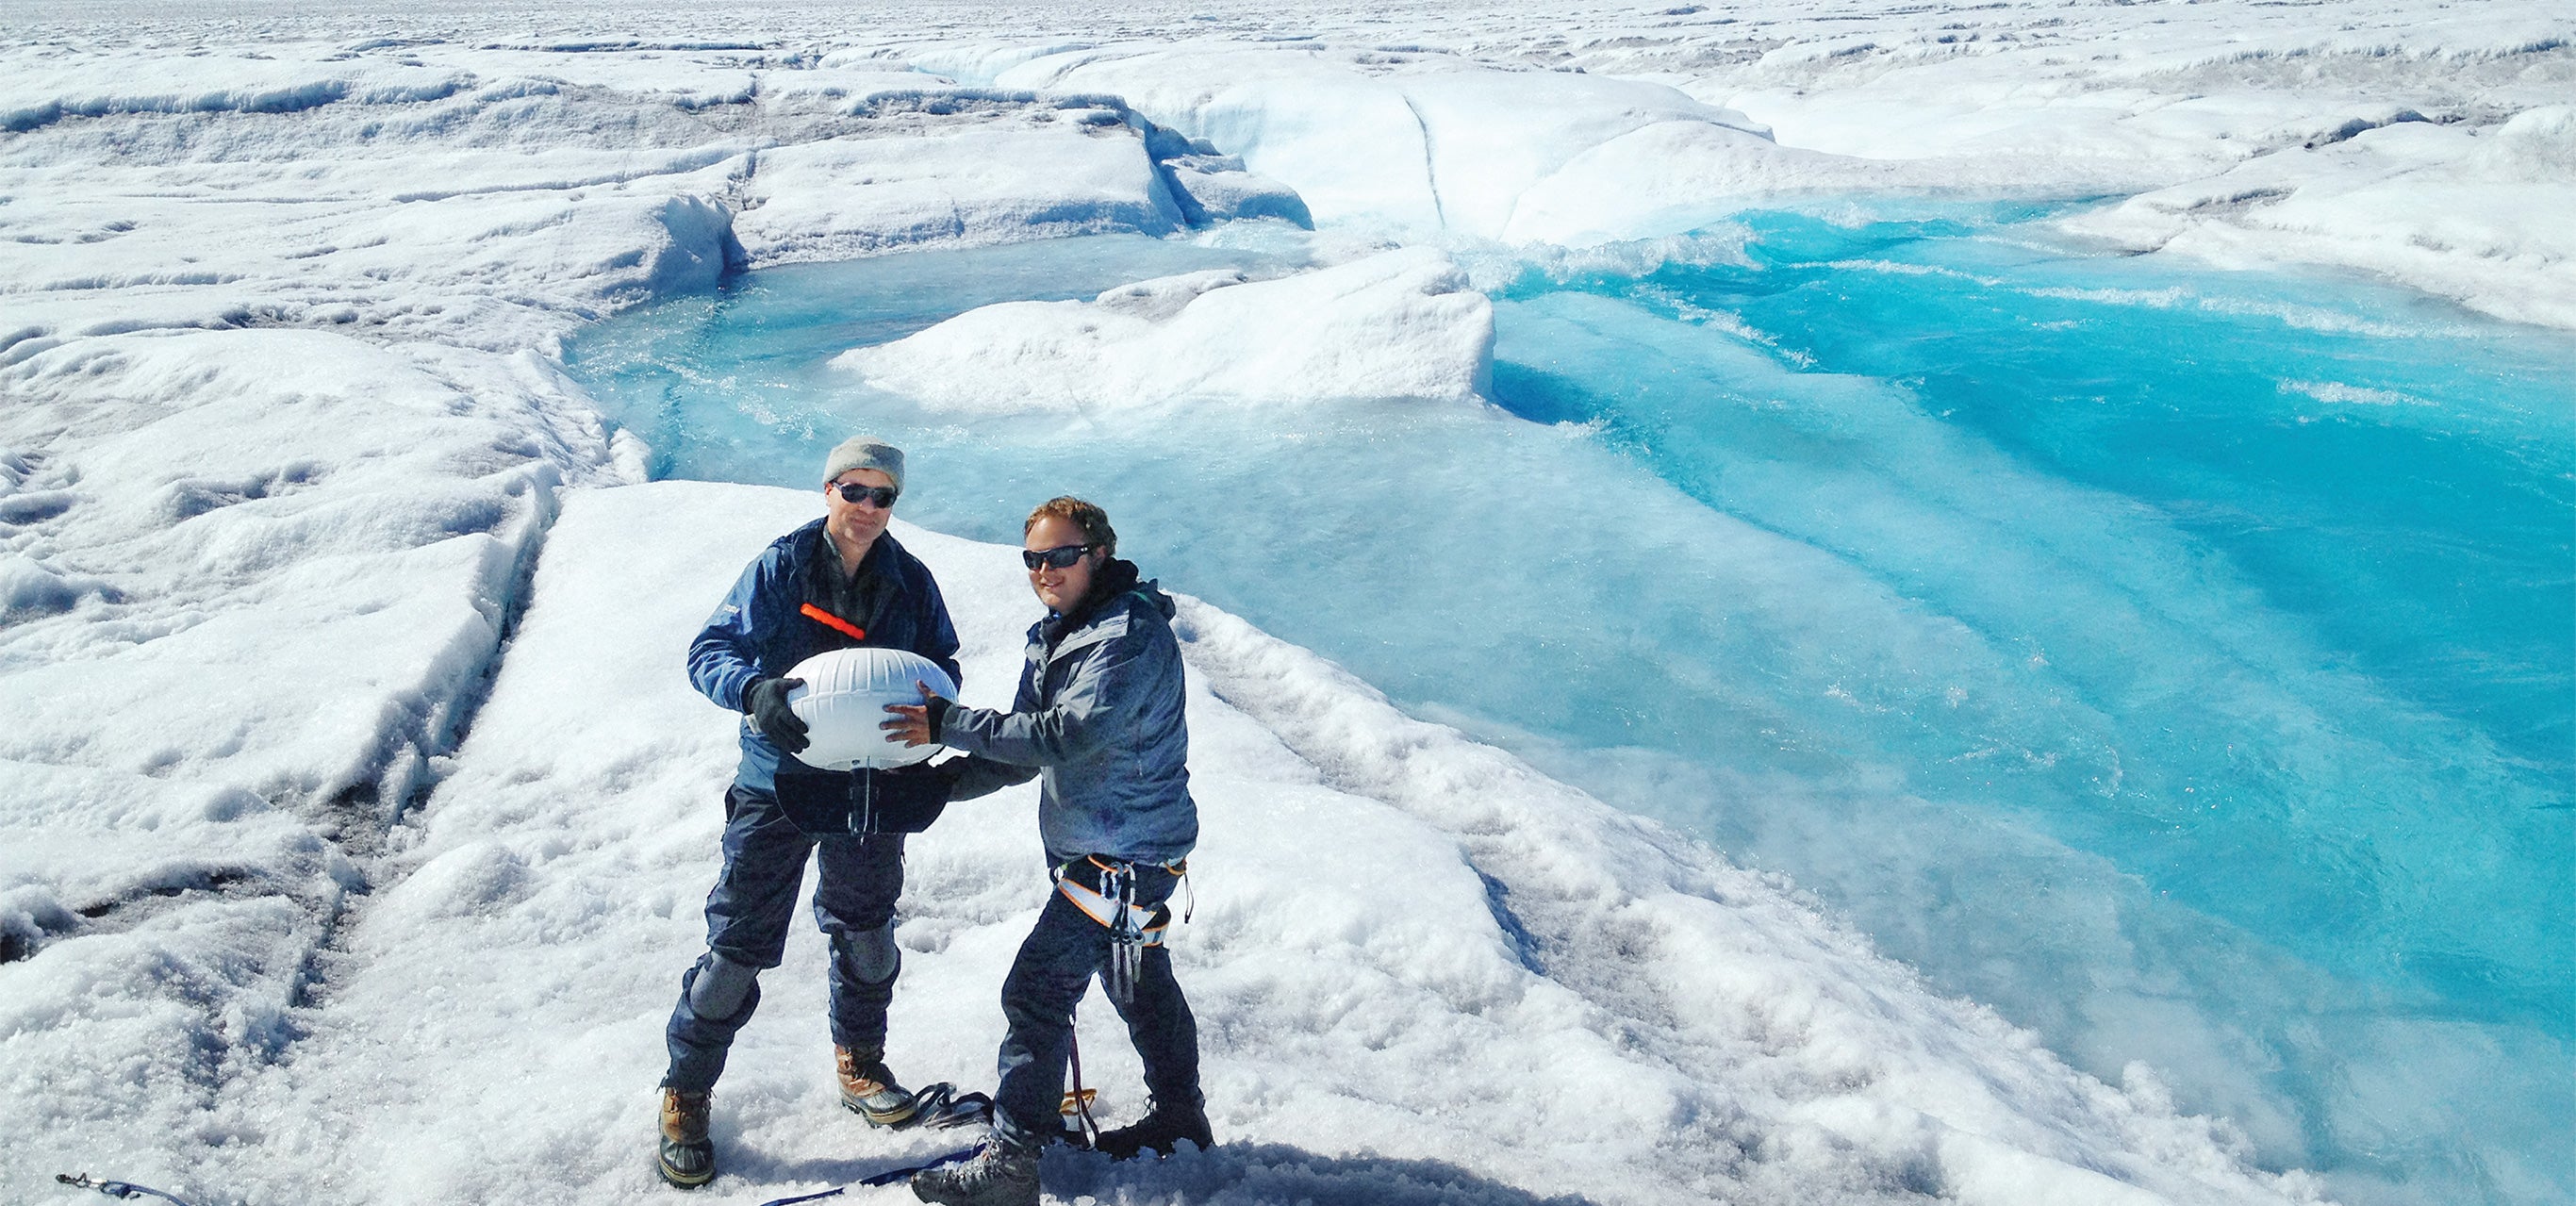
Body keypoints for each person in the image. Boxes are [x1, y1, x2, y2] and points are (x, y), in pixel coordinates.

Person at [654, 437, 965, 1189]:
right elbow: (711, 649)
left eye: (882, 495)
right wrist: (753, 690)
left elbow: (945, 665)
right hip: (779, 784)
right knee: (737, 949)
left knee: (866, 931)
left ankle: (860, 1064)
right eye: (853, 490)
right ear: (828, 489)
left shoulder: (911, 580)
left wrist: (926, 708)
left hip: (868, 784)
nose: (866, 507)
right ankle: (685, 1093)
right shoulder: (781, 566)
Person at [883, 497, 1211, 1206]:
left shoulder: (1127, 637)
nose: (1045, 570)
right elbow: (1024, 748)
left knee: (1035, 991)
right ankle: (1181, 1117)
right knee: (1138, 982)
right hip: (1117, 857)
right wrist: (935, 789)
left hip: (1123, 858)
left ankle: (1012, 1158)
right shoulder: (1062, 635)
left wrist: (949, 722)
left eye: (1061, 555)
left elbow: (1063, 734)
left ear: (1097, 554)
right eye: (1033, 558)